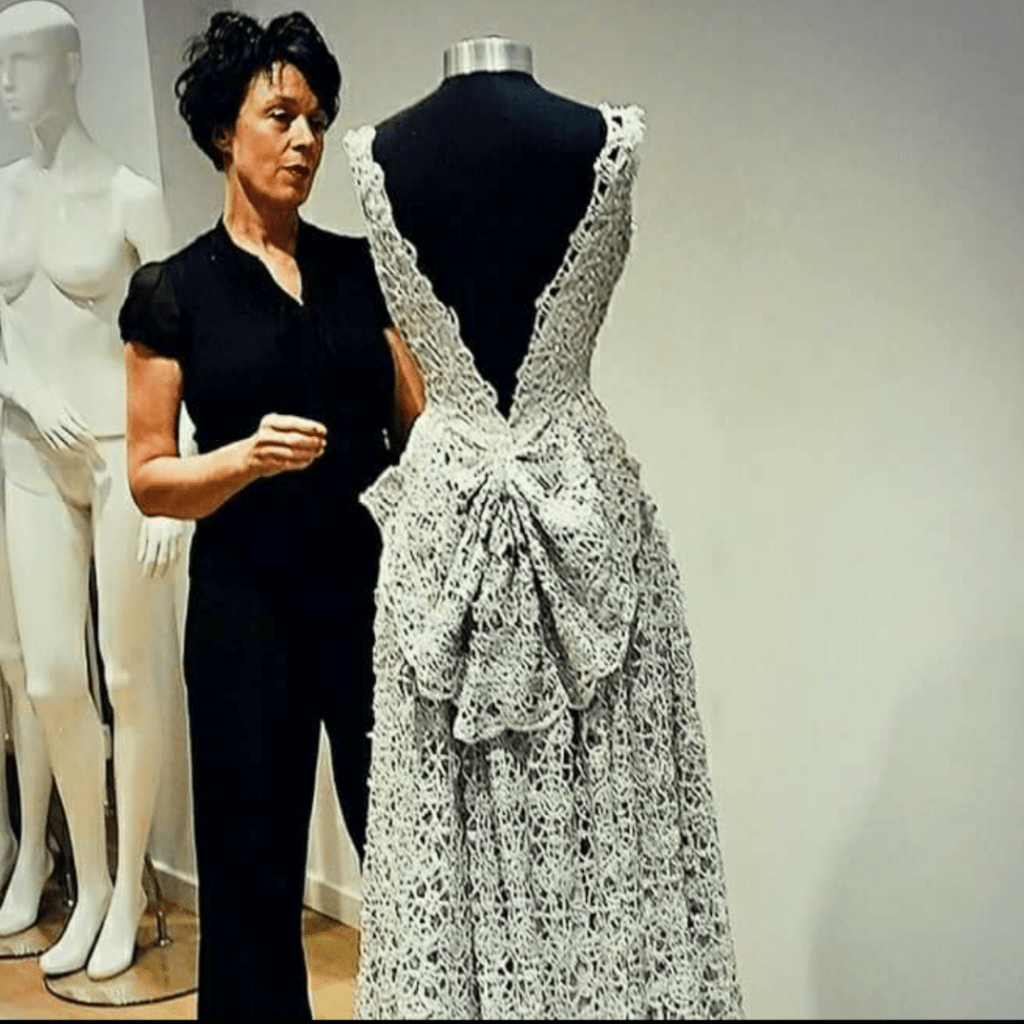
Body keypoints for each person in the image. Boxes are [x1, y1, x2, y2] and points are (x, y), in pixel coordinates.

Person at [342, 38, 743, 1019]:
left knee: (606, 826)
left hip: (545, 532)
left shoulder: (604, 142)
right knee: (458, 846)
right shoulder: (374, 154)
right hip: (496, 527)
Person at [121, 10, 422, 1020]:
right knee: (252, 880)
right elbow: (151, 477)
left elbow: (418, 427)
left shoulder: (361, 270)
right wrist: (243, 459)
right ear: (224, 130)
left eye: (317, 121)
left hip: (371, 601)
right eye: (281, 116)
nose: (305, 140)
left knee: (412, 851)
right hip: (246, 613)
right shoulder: (174, 292)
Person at [0, 0, 185, 980]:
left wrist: (177, 472)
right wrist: (24, 388)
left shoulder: (130, 195)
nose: (5, 82)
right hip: (29, 447)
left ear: (69, 66)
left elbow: (180, 338)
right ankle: (94, 876)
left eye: (23, 62)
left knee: (127, 675)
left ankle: (131, 885)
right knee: (46, 680)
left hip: (119, 450)